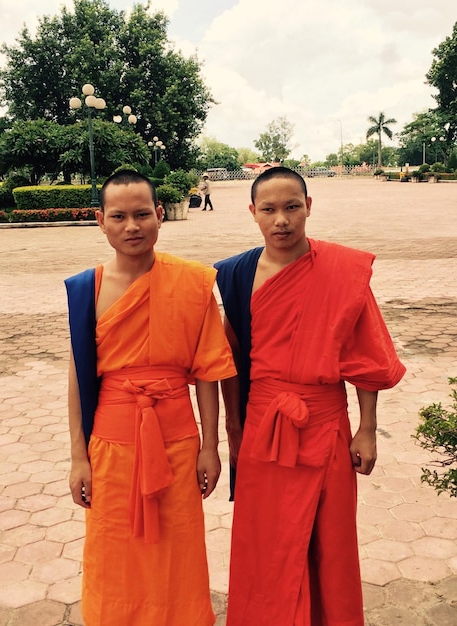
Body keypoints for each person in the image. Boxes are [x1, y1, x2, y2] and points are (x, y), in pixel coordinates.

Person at [214, 167, 406, 626]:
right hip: (264, 428)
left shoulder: (343, 272)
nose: (281, 219)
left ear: (309, 206)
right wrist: (232, 432)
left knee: (329, 544)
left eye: (291, 207)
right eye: (269, 209)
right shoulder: (238, 275)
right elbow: (230, 359)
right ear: (253, 213)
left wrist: (367, 430)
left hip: (325, 426)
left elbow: (365, 358)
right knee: (267, 545)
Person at [65, 169, 236, 626]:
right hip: (110, 448)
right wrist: (79, 458)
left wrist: (209, 447)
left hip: (177, 444)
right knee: (113, 552)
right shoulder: (87, 290)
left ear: (160, 216)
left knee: (176, 550)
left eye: (142, 214)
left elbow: (207, 374)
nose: (132, 226)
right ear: (100, 221)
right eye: (118, 216)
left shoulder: (195, 283)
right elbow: (78, 381)